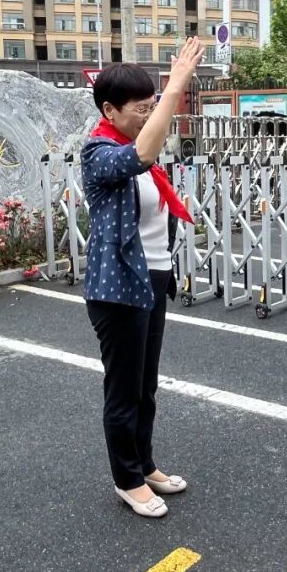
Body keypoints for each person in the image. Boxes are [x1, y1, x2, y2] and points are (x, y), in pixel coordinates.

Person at [80, 38, 204, 519]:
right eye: (141, 109)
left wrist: (165, 98)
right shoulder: (99, 152)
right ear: (109, 110)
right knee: (124, 389)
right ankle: (126, 479)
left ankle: (144, 463)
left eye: (152, 107)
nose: (148, 116)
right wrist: (175, 88)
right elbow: (142, 155)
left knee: (145, 385)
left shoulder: (134, 147)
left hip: (151, 280)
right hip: (118, 289)